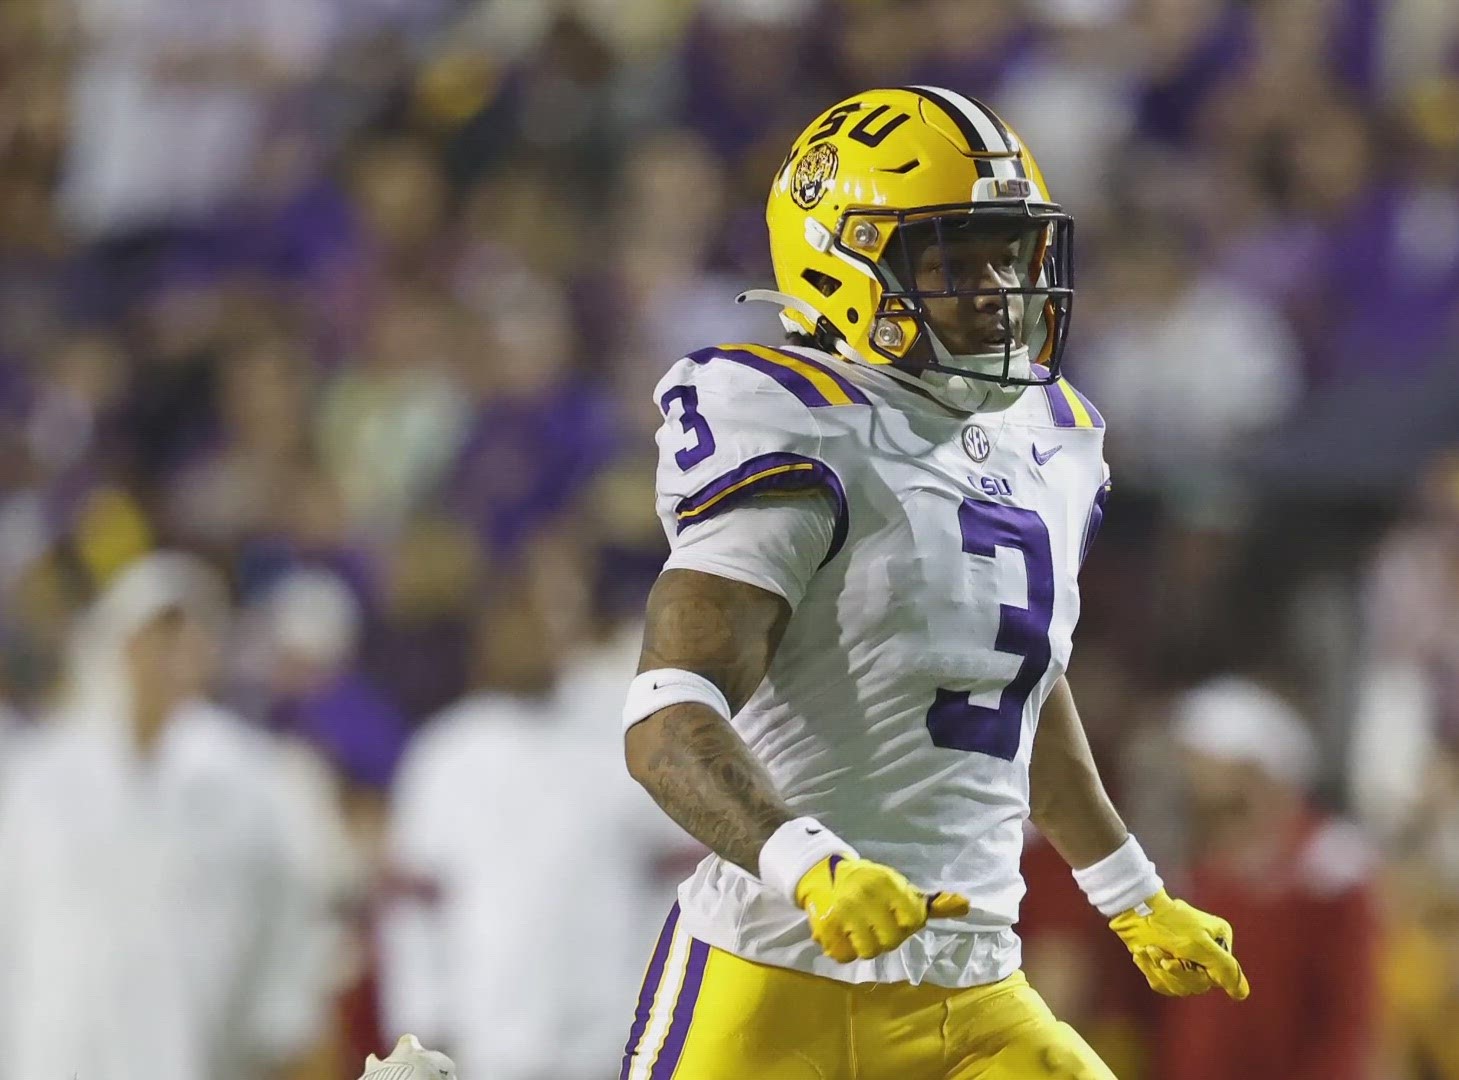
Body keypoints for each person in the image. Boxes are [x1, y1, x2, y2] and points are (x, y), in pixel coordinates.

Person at [611, 86, 1249, 1078]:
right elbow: (666, 712)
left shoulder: (1052, 438)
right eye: (953, 258)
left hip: (977, 989)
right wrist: (810, 867)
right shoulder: (795, 418)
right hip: (774, 984)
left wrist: (1130, 892)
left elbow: (1014, 679)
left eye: (1008, 251)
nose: (998, 286)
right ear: (844, 266)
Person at [0, 553, 344, 1080]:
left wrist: (278, 1030)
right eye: (155, 635)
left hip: (197, 1049)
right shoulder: (43, 777)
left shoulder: (251, 780)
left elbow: (288, 918)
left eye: (186, 636)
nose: (168, 656)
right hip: (57, 1049)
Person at [378, 581, 697, 1080]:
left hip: (609, 1029)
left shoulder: (620, 745)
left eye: (546, 627)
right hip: (485, 1032)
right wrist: (421, 1020)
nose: (531, 641)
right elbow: (413, 906)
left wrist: (659, 997)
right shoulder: (445, 753)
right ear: (486, 640)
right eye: (516, 629)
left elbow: (676, 887)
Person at [1159, 677, 1380, 1080]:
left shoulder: (1330, 872)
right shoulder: (1195, 870)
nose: (1191, 776)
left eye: (1204, 760)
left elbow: (1347, 1017)